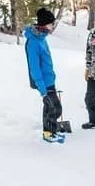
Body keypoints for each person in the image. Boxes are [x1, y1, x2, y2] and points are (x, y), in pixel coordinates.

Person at [24, 8, 65, 143]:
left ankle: (49, 132)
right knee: (55, 108)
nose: (52, 26)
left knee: (50, 107)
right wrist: (43, 91)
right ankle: (49, 133)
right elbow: (34, 69)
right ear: (44, 24)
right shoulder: (34, 42)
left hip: (49, 80)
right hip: (43, 83)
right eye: (51, 24)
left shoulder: (42, 38)